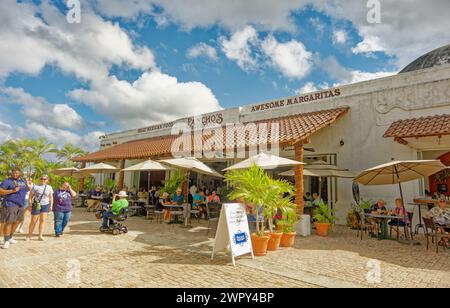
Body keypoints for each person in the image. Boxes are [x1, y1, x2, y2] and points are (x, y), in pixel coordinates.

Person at [0, 169, 33, 249]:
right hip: (10, 204)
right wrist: (12, 190)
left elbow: (26, 190)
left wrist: (28, 186)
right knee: (9, 222)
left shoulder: (22, 181)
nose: (15, 174)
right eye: (14, 173)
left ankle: (10, 237)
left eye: (17, 173)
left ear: (20, 174)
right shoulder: (7, 181)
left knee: (18, 221)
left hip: (21, 205)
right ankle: (6, 240)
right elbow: (0, 191)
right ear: (11, 173)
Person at [27, 175, 54, 241]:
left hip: (45, 205)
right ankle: (29, 236)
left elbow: (51, 197)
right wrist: (30, 204)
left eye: (44, 179)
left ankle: (40, 236)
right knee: (33, 221)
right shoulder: (35, 186)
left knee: (42, 221)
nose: (43, 180)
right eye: (41, 179)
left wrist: (51, 206)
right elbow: (30, 196)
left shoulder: (49, 187)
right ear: (40, 179)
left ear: (47, 180)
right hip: (36, 205)